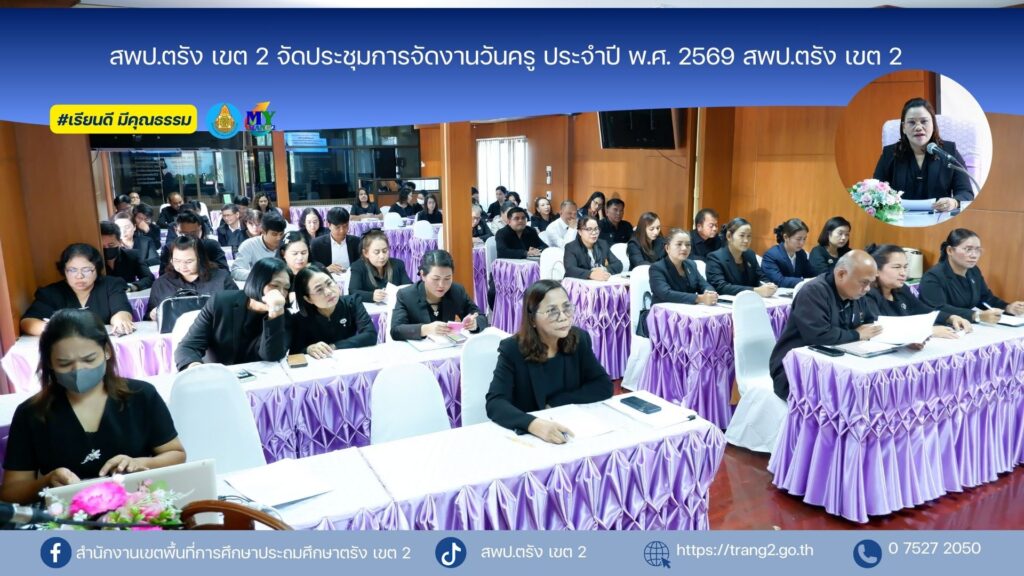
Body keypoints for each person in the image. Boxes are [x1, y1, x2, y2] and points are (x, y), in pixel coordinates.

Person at [0, 309, 186, 504]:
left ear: (106, 351)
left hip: (137, 507)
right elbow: (11, 491)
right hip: (67, 513)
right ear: (49, 362)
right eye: (64, 363)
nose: (78, 370)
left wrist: (140, 463)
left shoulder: (141, 395)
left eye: (89, 359)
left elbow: (176, 454)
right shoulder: (32, 413)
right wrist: (46, 482)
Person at [485, 280, 612, 442]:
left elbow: (603, 384)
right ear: (532, 319)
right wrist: (533, 424)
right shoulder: (513, 349)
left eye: (566, 308)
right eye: (552, 311)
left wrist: (558, 402)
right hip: (531, 440)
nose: (563, 317)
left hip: (572, 431)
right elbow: (495, 403)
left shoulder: (579, 338)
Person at [769, 250, 881, 400]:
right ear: (841, 274)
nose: (867, 289)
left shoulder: (856, 294)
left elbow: (870, 324)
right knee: (851, 399)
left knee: (871, 392)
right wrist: (857, 334)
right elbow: (819, 335)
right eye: (864, 282)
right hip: (798, 370)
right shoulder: (813, 291)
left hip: (839, 365)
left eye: (870, 283)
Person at [174, 257, 291, 370]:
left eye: (286, 288)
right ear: (257, 282)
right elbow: (188, 347)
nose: (280, 294)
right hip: (221, 374)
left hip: (262, 377)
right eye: (274, 286)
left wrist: (275, 313)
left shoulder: (283, 316)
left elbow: (271, 356)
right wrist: (195, 368)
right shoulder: (220, 303)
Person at [873, 97, 972, 211]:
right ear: (904, 127)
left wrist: (954, 202)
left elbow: (966, 192)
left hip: (940, 216)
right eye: (911, 122)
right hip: (900, 217)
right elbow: (876, 191)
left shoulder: (949, 151)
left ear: (933, 124)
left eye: (924, 121)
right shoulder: (889, 153)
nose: (919, 127)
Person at [21, 244, 135, 337]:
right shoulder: (50, 293)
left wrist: (121, 320)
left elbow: (121, 310)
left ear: (97, 269)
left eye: (86, 270)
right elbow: (28, 321)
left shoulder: (111, 284)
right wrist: (52, 329)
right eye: (72, 270)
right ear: (64, 270)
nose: (79, 276)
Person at [864, 244, 972, 338]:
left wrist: (950, 318)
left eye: (905, 267)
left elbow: (922, 310)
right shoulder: (867, 294)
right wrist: (927, 331)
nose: (903, 273)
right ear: (876, 270)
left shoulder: (901, 289)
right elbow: (878, 329)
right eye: (896, 267)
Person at [919, 228, 1024, 323]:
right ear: (950, 250)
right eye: (968, 249)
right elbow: (938, 308)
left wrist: (1007, 307)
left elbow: (985, 298)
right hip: (942, 327)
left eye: (977, 250)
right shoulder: (933, 277)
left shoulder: (973, 271)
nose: (974, 255)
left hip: (968, 325)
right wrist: (976, 316)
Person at [390, 250, 487, 341]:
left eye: (447, 278)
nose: (442, 285)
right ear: (423, 275)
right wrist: (426, 329)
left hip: (447, 348)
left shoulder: (456, 291)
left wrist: (474, 323)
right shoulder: (406, 295)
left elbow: (481, 316)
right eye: (436, 279)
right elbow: (396, 330)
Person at [290, 263, 376, 357]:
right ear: (308, 299)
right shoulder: (300, 319)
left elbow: (370, 335)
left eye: (329, 283)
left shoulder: (352, 302)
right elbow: (294, 353)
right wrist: (308, 349)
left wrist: (334, 346)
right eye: (319, 290)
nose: (328, 292)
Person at [146, 235, 237, 320]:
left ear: (200, 259)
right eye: (177, 261)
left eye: (189, 261)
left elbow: (238, 308)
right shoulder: (161, 284)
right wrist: (152, 315)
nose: (182, 266)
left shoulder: (221, 278)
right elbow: (148, 317)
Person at [706, 217, 777, 297]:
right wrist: (755, 291)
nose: (746, 240)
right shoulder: (715, 258)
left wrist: (768, 285)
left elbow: (761, 277)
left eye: (749, 236)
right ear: (729, 236)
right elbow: (721, 287)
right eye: (742, 236)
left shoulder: (750, 254)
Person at [650, 229, 717, 305]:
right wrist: (699, 298)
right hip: (664, 310)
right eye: (679, 244)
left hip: (688, 309)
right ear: (667, 248)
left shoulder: (691, 264)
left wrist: (709, 294)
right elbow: (666, 294)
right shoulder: (657, 268)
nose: (684, 248)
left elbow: (704, 285)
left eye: (688, 245)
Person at [348, 230, 411, 303]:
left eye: (385, 251)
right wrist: (371, 296)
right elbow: (353, 291)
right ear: (365, 253)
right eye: (376, 252)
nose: (382, 256)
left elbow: (409, 287)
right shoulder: (358, 267)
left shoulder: (398, 264)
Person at [159, 211, 228, 272]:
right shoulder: (169, 248)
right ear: (176, 230)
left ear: (200, 228)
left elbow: (224, 271)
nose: (190, 238)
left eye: (193, 234)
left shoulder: (211, 246)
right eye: (185, 234)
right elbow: (163, 276)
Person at [563, 216, 623, 281]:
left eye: (596, 229)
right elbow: (570, 269)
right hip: (578, 284)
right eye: (589, 229)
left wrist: (604, 269)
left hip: (599, 283)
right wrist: (591, 274)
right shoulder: (571, 247)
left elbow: (618, 264)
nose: (594, 233)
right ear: (580, 232)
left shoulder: (603, 244)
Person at [231, 211, 287, 281]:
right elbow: (236, 271)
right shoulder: (249, 245)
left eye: (281, 234)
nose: (279, 238)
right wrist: (261, 276)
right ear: (263, 232)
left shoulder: (287, 244)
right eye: (274, 234)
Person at [100, 221, 154, 292]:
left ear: (120, 242)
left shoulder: (132, 256)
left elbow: (149, 278)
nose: (107, 248)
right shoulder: (94, 261)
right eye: (102, 246)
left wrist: (133, 286)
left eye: (111, 245)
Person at [761, 218, 815, 288]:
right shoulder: (771, 255)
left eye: (804, 239)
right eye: (798, 239)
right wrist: (805, 281)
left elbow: (810, 274)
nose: (802, 243)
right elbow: (779, 281)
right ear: (786, 237)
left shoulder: (801, 254)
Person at [310, 206, 361, 274]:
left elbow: (362, 266)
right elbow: (311, 269)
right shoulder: (317, 244)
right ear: (329, 225)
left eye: (345, 226)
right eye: (337, 227)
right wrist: (326, 269)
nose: (342, 231)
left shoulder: (357, 242)